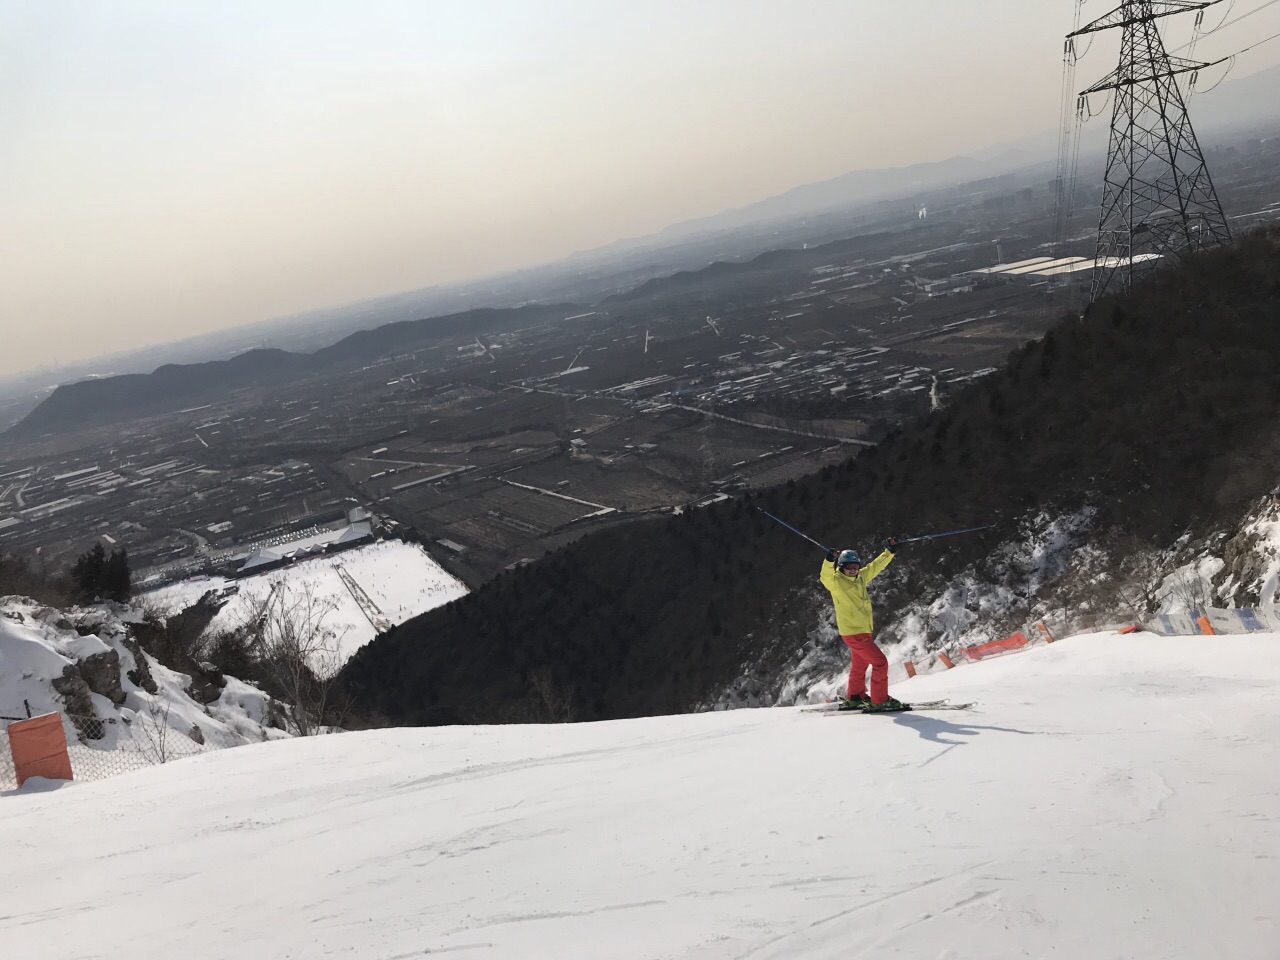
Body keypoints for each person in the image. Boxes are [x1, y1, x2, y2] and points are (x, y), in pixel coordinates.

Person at [820, 538, 905, 711]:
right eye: (848, 567)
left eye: (855, 567)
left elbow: (875, 566)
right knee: (880, 662)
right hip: (853, 633)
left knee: (860, 665)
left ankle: (855, 696)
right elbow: (825, 577)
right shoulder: (836, 583)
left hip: (863, 632)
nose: (852, 570)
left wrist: (889, 552)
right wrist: (829, 561)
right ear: (841, 567)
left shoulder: (860, 578)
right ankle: (879, 701)